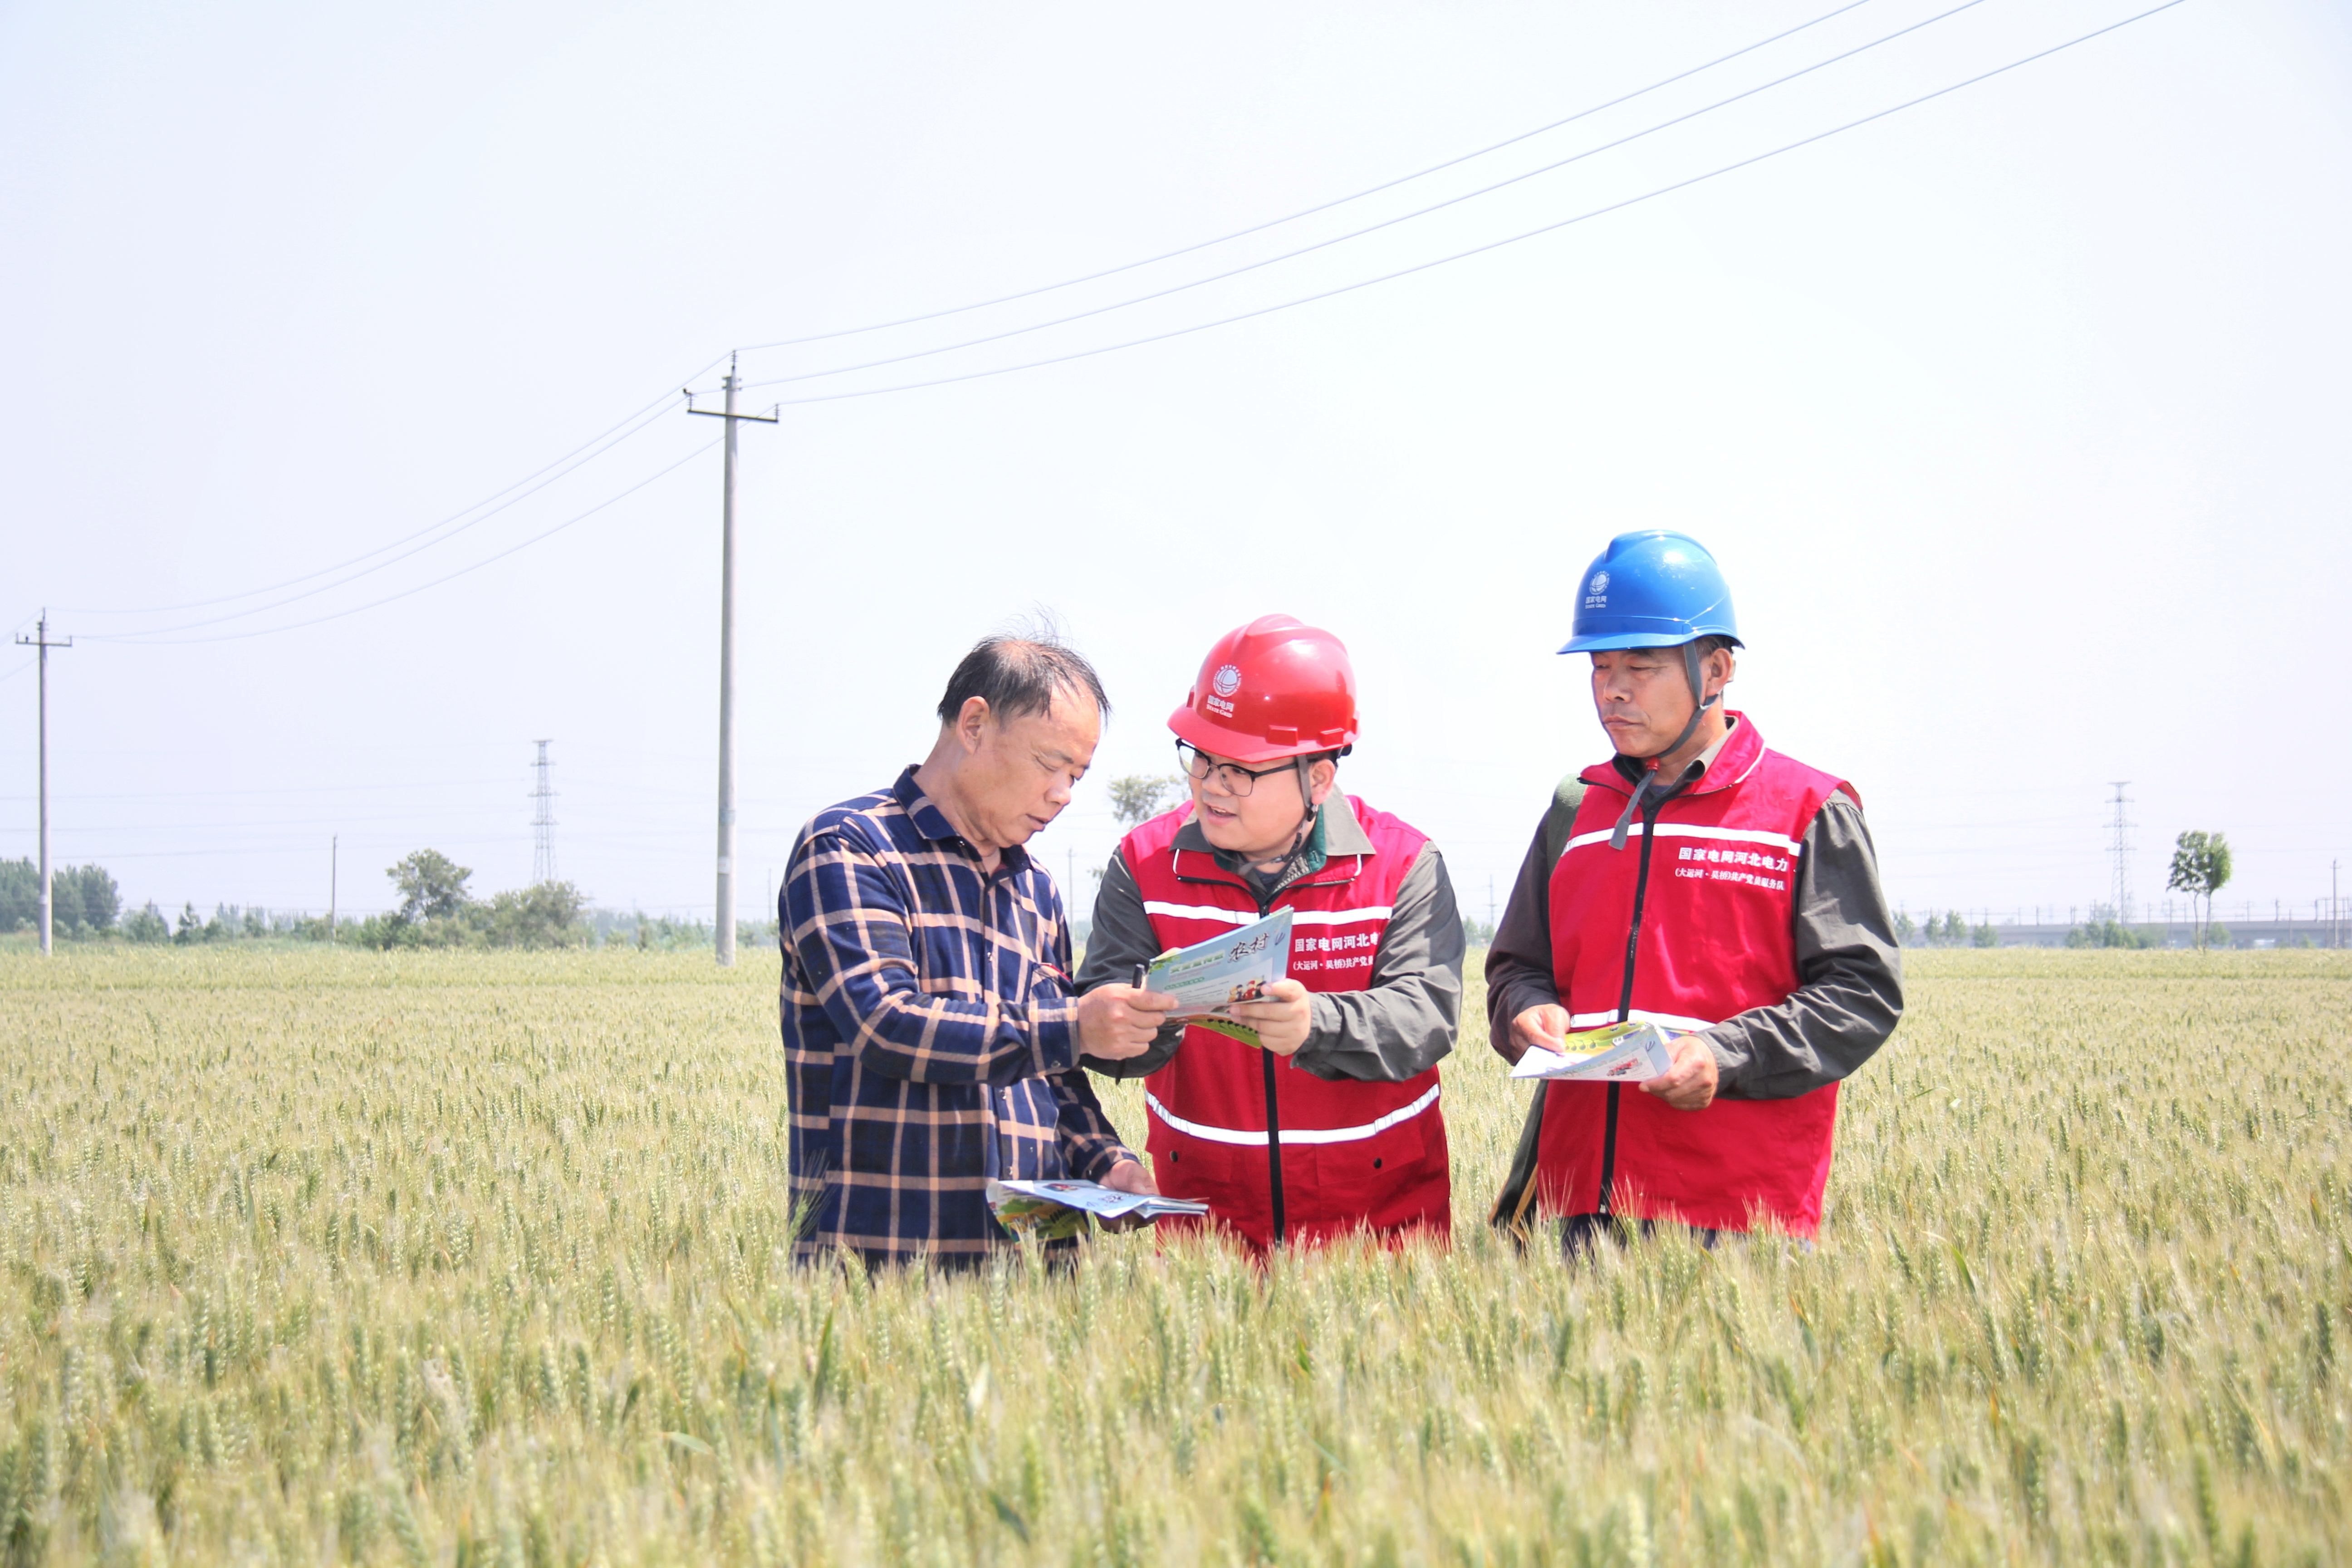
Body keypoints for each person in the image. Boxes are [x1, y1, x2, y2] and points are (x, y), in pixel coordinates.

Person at [1485, 531, 1902, 1251]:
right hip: (1575, 1207)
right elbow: (1517, 969)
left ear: (1716, 669)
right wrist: (1527, 1012)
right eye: (1599, 666)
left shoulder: (1809, 810)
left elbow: (1861, 995)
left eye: (1640, 667)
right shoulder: (1574, 808)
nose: (1612, 689)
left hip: (1735, 1220)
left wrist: (1726, 1055)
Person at [780, 634, 1173, 1268]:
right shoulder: (851, 848)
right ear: (974, 724)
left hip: (1033, 1281)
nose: (1064, 793)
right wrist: (1075, 1024)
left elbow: (1055, 1071)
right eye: (1051, 764)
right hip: (884, 1273)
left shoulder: (1035, 889)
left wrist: (1111, 1163)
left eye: (1077, 776)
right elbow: (887, 1024)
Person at [1079, 615, 1465, 1254]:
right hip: (1208, 1231)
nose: (1210, 785)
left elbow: (1426, 1016)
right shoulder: (1144, 865)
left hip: (1377, 1234)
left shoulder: (1402, 866)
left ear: (1318, 776)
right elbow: (1101, 1019)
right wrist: (1143, 1020)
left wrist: (1319, 1023)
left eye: (1241, 769)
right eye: (1200, 757)